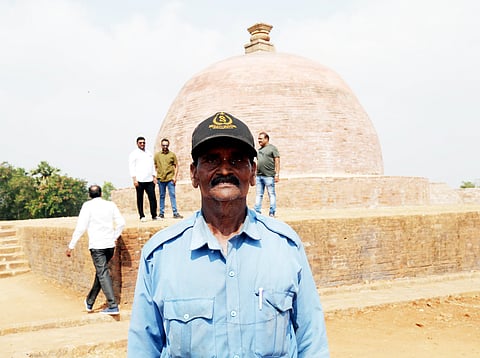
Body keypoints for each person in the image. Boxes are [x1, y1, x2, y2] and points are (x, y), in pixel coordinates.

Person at [128, 112, 329, 357]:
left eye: (236, 160)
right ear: (193, 173)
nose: (224, 170)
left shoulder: (285, 247)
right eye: (212, 160)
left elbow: (311, 342)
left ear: (253, 172)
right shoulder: (160, 255)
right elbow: (143, 349)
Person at [66, 184, 125, 315]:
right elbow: (121, 223)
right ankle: (90, 301)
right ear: (101, 193)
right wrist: (115, 236)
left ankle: (112, 305)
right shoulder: (110, 205)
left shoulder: (87, 206)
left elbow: (81, 227)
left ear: (89, 195)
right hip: (109, 245)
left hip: (97, 245)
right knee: (101, 272)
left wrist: (71, 245)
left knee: (102, 272)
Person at [129, 136, 160, 222]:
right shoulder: (133, 154)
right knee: (140, 198)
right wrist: (134, 179)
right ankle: (142, 215)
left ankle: (154, 215)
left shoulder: (149, 153)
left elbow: (152, 166)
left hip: (149, 179)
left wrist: (154, 176)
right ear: (137, 144)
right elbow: (132, 167)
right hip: (139, 180)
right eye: (140, 143)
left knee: (152, 198)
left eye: (143, 142)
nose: (142, 144)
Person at [154, 138, 183, 219]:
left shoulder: (172, 155)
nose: (165, 147)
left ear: (168, 145)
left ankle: (175, 212)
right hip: (161, 179)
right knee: (162, 196)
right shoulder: (157, 155)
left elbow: (176, 166)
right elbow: (155, 166)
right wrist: (156, 176)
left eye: (166, 145)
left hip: (170, 178)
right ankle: (161, 213)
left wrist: (175, 177)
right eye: (163, 145)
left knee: (172, 195)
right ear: (161, 145)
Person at [254, 131, 280, 217]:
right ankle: (257, 211)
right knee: (259, 194)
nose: (259, 140)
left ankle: (272, 212)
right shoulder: (259, 150)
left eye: (260, 139)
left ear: (266, 139)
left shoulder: (272, 148)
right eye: (258, 139)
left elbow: (277, 161)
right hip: (259, 176)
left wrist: (277, 174)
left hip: (269, 176)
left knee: (271, 194)